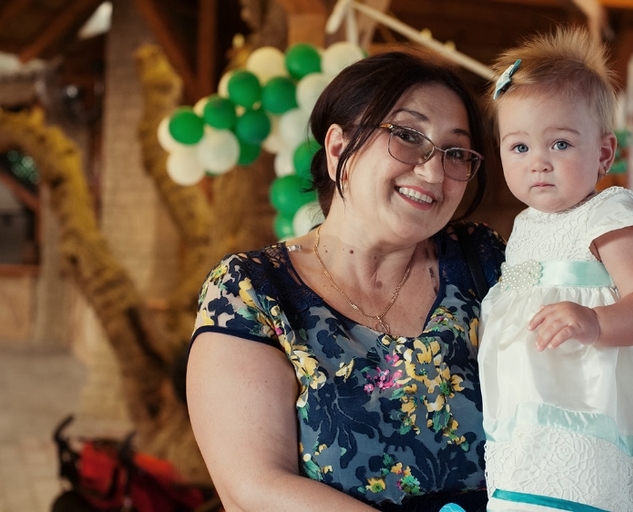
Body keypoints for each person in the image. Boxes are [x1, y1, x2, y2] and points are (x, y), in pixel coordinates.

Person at [185, 50, 506, 512]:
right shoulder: (251, 292)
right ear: (338, 149)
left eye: (455, 152)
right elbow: (254, 486)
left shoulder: (483, 260)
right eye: (407, 135)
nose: (433, 171)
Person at [477, 27, 633, 511]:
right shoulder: (523, 226)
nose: (538, 163)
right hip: (525, 415)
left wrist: (595, 321)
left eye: (560, 144)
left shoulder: (609, 214)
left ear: (603, 153)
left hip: (592, 406)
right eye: (519, 147)